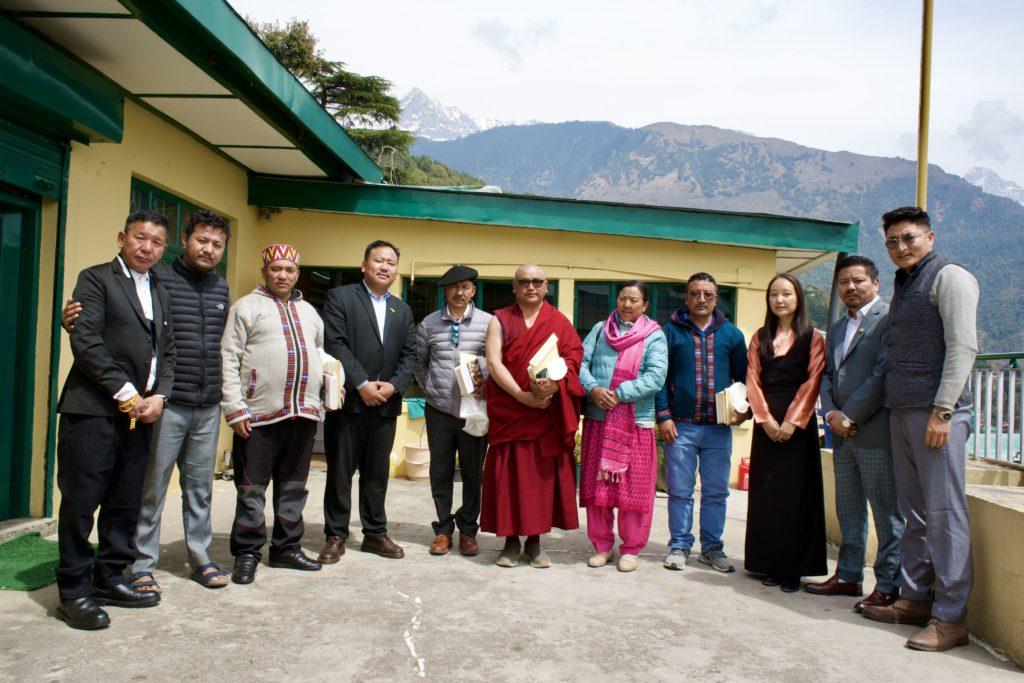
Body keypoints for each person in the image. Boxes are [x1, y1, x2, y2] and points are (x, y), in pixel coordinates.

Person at [62, 210, 232, 593]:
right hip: (158, 403)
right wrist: (72, 318)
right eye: (201, 240)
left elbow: (190, 346)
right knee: (148, 488)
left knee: (198, 487)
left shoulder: (220, 289)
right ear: (185, 240)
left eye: (217, 244)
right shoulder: (158, 278)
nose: (208, 249)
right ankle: (140, 563)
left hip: (197, 401)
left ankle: (199, 556)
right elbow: (108, 321)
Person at [860, 207, 979, 653]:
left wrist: (944, 410)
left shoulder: (950, 277)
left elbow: (964, 345)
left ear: (929, 236)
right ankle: (914, 599)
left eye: (908, 238)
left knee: (945, 515)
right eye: (892, 242)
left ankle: (951, 618)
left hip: (937, 415)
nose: (900, 247)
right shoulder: (905, 282)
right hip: (902, 411)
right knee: (916, 514)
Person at [54, 210, 176, 629]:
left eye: (157, 242)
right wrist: (128, 394)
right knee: (81, 501)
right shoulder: (95, 278)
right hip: (93, 410)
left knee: (125, 502)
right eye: (140, 238)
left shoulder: (159, 288)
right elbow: (85, 340)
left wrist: (159, 395)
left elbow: (168, 352)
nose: (148, 247)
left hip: (142, 416)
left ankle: (109, 577)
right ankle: (72, 591)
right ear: (122, 237)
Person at [220, 243, 335, 584]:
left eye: (289, 270)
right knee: (251, 488)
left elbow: (320, 354)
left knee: (294, 487)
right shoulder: (246, 308)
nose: (282, 275)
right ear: (264, 272)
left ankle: (286, 548)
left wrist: (330, 385)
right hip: (258, 415)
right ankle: (247, 552)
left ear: (298, 274)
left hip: (303, 414)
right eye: (276, 269)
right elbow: (228, 358)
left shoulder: (311, 312)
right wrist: (235, 407)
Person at [806, 255, 904, 612]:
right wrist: (831, 413)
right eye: (844, 282)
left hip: (874, 431)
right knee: (849, 509)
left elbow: (883, 374)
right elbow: (828, 375)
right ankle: (847, 575)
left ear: (876, 284)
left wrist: (849, 415)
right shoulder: (836, 326)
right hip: (841, 433)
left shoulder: (889, 320)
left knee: (886, 514)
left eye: (858, 281)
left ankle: (889, 585)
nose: (850, 287)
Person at [318, 240, 417, 562]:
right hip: (348, 403)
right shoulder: (341, 297)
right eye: (378, 260)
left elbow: (410, 354)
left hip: (385, 404)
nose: (385, 267)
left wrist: (392, 386)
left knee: (377, 474)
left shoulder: (401, 309)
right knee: (340, 472)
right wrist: (361, 382)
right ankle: (336, 535)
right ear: (364, 265)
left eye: (390, 262)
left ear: (396, 269)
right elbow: (336, 342)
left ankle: (375, 533)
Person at [481, 265, 585, 568]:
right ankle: (511, 542)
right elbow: (493, 362)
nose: (531, 286)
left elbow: (573, 358)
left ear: (546, 286)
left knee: (541, 481)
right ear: (514, 286)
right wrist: (521, 396)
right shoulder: (499, 319)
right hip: (512, 409)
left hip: (545, 413)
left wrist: (555, 384)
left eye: (537, 282)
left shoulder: (559, 321)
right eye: (524, 282)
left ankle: (536, 542)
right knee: (509, 478)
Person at [655, 273, 750, 573]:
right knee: (680, 491)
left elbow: (745, 379)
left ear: (716, 297)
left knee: (716, 492)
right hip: (680, 427)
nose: (701, 299)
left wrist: (743, 410)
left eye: (708, 294)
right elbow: (659, 379)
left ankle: (711, 548)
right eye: (695, 293)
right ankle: (680, 545)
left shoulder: (731, 335)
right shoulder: (669, 332)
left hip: (719, 429)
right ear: (686, 297)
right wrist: (664, 416)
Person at [744, 273, 827, 593]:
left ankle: (793, 566)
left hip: (799, 423)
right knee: (768, 494)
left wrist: (792, 421)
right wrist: (765, 420)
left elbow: (813, 381)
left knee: (797, 495)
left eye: (787, 294)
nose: (780, 300)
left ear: (798, 298)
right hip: (766, 421)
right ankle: (768, 562)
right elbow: (752, 378)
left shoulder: (813, 337)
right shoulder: (760, 336)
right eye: (774, 294)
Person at [578, 282, 667, 572]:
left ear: (645, 306)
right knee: (598, 488)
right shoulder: (600, 329)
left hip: (635, 423)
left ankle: (631, 549)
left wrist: (619, 394)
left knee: (633, 490)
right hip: (598, 419)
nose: (627, 304)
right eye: (622, 298)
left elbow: (655, 377)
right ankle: (602, 546)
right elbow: (580, 364)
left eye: (634, 300)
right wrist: (593, 389)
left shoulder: (654, 336)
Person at [413, 265, 492, 557]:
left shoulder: (488, 323)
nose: (460, 292)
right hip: (440, 411)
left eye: (466, 287)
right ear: (446, 291)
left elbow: (497, 362)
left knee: (473, 473)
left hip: (474, 411)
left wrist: (488, 387)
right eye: (454, 287)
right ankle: (443, 530)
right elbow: (419, 362)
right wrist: (430, 389)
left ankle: (469, 531)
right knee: (440, 471)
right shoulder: (429, 324)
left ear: (473, 291)